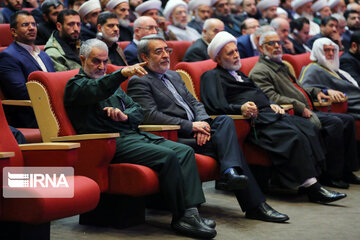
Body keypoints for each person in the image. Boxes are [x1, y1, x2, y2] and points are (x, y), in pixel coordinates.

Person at [64, 38, 217, 239]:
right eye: (95, 61)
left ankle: (192, 212)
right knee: (168, 155)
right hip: (107, 142)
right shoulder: (76, 85)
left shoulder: (110, 83)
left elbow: (137, 110)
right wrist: (120, 73)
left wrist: (125, 115)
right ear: (82, 59)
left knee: (185, 151)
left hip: (133, 134)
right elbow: (97, 89)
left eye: (104, 61)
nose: (101, 66)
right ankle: (181, 217)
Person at [127, 34, 290, 223]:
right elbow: (150, 116)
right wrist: (191, 127)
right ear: (144, 57)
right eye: (159, 51)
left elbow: (195, 104)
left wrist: (203, 123)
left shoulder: (173, 75)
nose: (165, 55)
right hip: (173, 137)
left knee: (224, 121)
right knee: (230, 148)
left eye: (167, 50)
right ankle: (253, 202)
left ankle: (232, 174)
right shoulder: (139, 81)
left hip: (198, 131)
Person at [200, 31, 347, 204]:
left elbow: (259, 94)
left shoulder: (239, 74)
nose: (236, 56)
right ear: (217, 59)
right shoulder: (211, 76)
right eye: (230, 53)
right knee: (293, 136)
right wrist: (240, 108)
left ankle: (316, 179)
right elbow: (213, 105)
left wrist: (271, 103)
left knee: (308, 127)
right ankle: (312, 187)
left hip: (270, 113)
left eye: (237, 51)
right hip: (254, 122)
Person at [250, 31, 359, 188]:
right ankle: (331, 175)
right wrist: (299, 107)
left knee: (347, 120)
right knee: (335, 123)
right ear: (261, 48)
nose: (276, 46)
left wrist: (317, 92)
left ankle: (346, 171)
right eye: (271, 44)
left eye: (278, 43)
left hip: (309, 107)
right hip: (294, 114)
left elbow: (299, 88)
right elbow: (271, 98)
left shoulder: (281, 65)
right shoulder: (260, 71)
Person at [0, 10, 55, 128]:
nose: (31, 28)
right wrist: (54, 95)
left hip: (53, 110)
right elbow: (20, 92)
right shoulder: (9, 57)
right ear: (14, 32)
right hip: (32, 116)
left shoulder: (43, 54)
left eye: (34, 24)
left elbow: (54, 80)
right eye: (25, 25)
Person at [301, 38, 360, 124]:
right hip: (346, 104)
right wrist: (326, 91)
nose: (331, 54)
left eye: (333, 50)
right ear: (318, 51)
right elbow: (303, 89)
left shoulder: (334, 69)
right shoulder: (312, 69)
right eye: (327, 50)